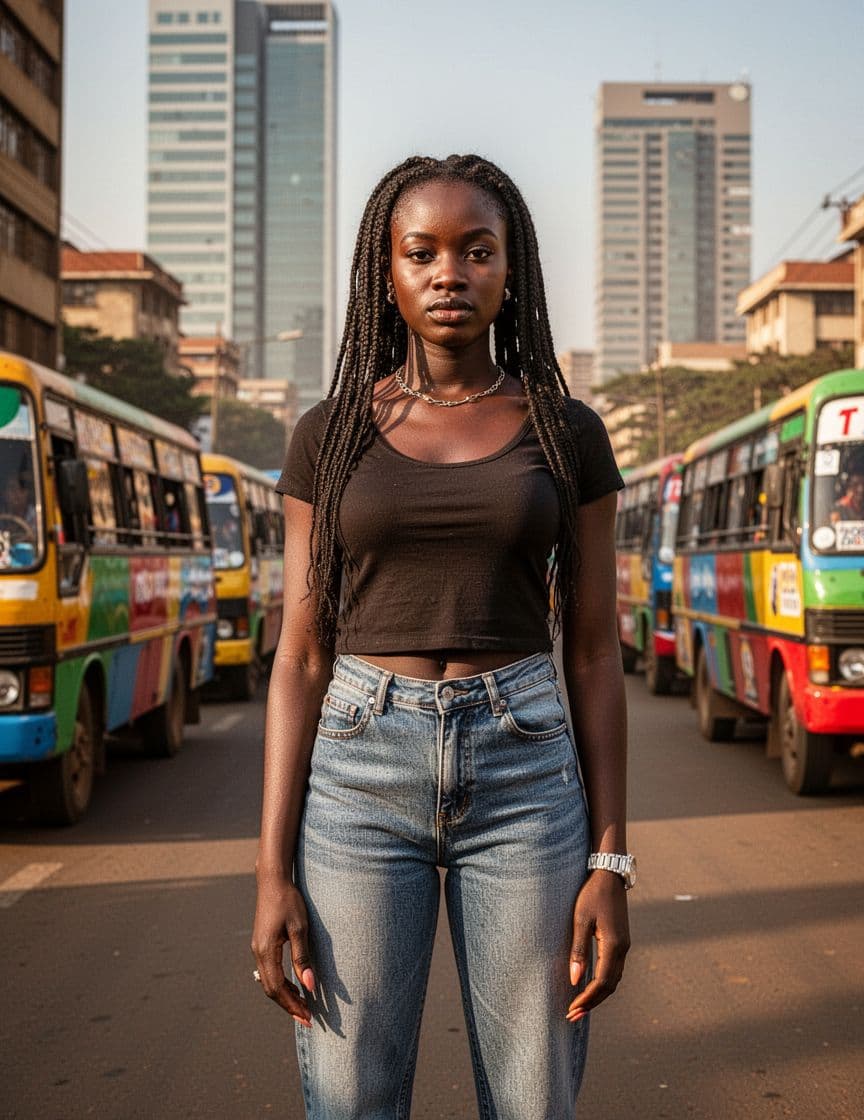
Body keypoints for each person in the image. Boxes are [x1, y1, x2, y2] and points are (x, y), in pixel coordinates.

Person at [252, 154, 631, 1120]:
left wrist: (612, 861)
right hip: (357, 775)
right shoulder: (330, 434)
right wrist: (270, 872)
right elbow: (299, 653)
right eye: (420, 251)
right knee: (351, 1098)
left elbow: (592, 650)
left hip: (525, 775)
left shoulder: (567, 431)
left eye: (477, 250)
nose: (448, 272)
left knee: (532, 1097)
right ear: (388, 272)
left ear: (513, 272)